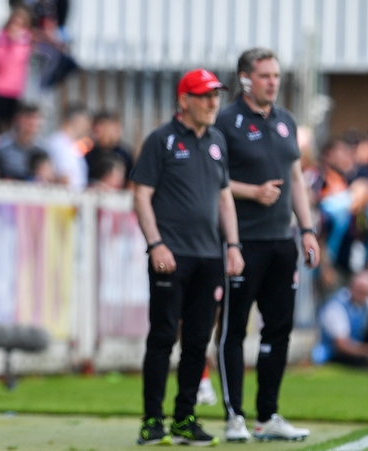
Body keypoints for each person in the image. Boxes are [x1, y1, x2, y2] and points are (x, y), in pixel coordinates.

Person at [214, 47, 320, 442]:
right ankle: (233, 416)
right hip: (243, 242)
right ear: (245, 79)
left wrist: (307, 229)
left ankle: (268, 415)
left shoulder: (286, 122)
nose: (273, 82)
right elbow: (213, 179)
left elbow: (295, 177)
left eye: (276, 75)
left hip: (281, 242)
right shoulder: (226, 121)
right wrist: (251, 191)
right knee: (233, 331)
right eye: (264, 76)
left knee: (279, 329)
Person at [132, 68, 243, 447]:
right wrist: (155, 244)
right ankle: (152, 420)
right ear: (184, 100)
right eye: (205, 95)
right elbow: (141, 195)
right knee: (163, 337)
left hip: (210, 257)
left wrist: (233, 245)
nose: (214, 103)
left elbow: (224, 197)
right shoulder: (161, 140)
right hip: (171, 255)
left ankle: (184, 418)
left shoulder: (217, 141)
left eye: (216, 96)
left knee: (197, 341)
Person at [318, 178, 368, 297]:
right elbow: (321, 240)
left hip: (359, 269)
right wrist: (326, 269)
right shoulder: (336, 211)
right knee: (332, 302)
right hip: (336, 266)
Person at [0, 5, 33, 132]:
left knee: (12, 124)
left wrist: (15, 42)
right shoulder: (0, 37)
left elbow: (20, 58)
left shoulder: (26, 40)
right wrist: (10, 42)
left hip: (15, 89)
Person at [0, 102, 46, 180]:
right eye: (28, 117)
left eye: (36, 119)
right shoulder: (1, 147)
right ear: (17, 119)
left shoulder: (42, 151)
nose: (32, 123)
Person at [42, 104, 91, 189]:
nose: (88, 128)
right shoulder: (60, 143)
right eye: (86, 122)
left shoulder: (72, 144)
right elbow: (64, 178)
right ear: (76, 120)